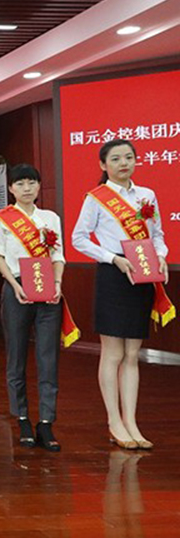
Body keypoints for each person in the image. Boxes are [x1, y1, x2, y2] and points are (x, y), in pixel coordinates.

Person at [71, 139, 172, 451]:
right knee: (113, 353)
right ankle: (114, 421)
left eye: (129, 157)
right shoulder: (96, 198)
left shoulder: (146, 195)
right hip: (114, 274)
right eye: (116, 159)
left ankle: (131, 421)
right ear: (103, 165)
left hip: (142, 274)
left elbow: (157, 235)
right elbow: (78, 239)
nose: (124, 163)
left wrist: (161, 256)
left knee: (132, 355)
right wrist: (112, 258)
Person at [0, 163, 73, 452]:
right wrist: (14, 285)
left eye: (31, 182)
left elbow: (57, 255)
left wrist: (58, 283)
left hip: (48, 290)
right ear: (11, 188)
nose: (26, 188)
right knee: (16, 356)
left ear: (39, 186)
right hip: (17, 289)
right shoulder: (1, 218)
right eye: (20, 183)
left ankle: (46, 422)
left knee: (48, 357)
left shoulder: (50, 218)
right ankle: (23, 418)